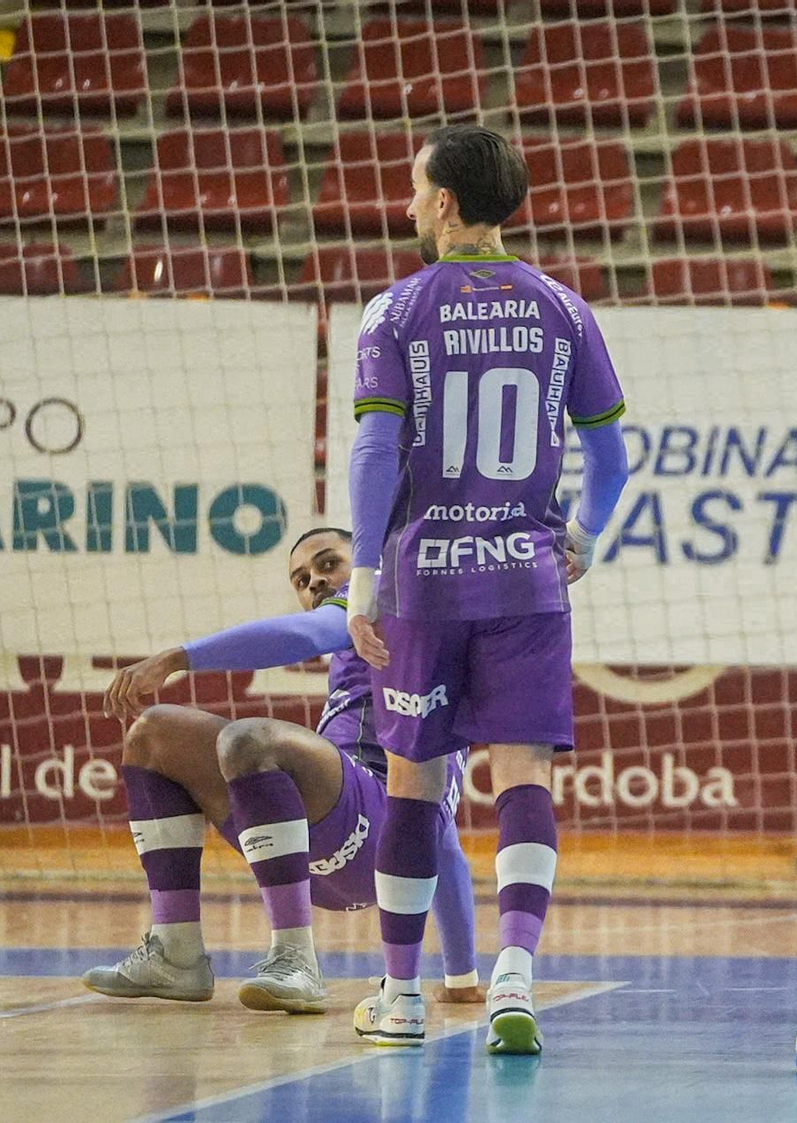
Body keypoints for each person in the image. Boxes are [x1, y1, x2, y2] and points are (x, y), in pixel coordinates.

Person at [346, 124, 631, 1053]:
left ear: (444, 203)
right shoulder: (563, 307)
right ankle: (514, 973)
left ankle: (399, 994)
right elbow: (612, 455)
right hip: (528, 580)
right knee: (525, 776)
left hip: (424, 583)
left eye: (413, 187)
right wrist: (582, 535)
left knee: (413, 782)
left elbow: (377, 449)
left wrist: (360, 575)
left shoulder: (394, 312)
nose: (405, 203)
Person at [85, 526, 481, 1014]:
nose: (314, 581)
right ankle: (175, 952)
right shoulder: (380, 655)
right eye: (301, 578)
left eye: (328, 564)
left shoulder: (382, 591)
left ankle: (295, 959)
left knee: (251, 740)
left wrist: (176, 658)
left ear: (363, 562)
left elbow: (302, 635)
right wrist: (461, 974)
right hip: (330, 861)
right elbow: (444, 843)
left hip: (379, 829)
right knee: (151, 734)